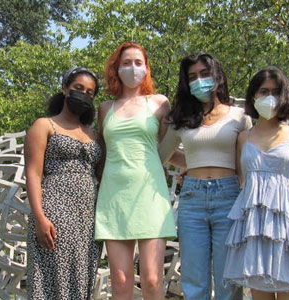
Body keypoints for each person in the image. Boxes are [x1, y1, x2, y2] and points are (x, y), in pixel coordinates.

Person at [223, 66, 289, 300]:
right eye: (263, 91)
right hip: (254, 229)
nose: (269, 97)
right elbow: (240, 179)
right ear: (253, 96)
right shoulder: (243, 138)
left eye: (276, 92)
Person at [159, 53, 251, 300]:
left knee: (228, 281)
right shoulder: (182, 120)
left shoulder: (240, 117)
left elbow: (254, 156)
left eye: (204, 74)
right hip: (192, 198)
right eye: (192, 77)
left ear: (217, 76)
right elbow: (163, 156)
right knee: (193, 279)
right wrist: (192, 163)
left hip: (230, 196)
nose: (199, 81)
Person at [94, 41, 180, 300]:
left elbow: (169, 151)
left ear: (146, 68)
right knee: (120, 281)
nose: (133, 68)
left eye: (138, 63)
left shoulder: (159, 103)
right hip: (113, 198)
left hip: (150, 196)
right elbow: (102, 154)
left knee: (153, 280)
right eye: (126, 63)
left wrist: (198, 164)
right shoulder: (105, 109)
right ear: (116, 69)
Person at [25, 67, 102, 299]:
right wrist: (39, 218)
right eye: (78, 88)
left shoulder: (94, 135)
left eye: (90, 92)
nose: (83, 95)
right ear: (65, 89)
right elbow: (33, 175)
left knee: (80, 282)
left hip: (87, 219)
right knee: (49, 282)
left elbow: (103, 175)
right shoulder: (44, 126)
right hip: (53, 215)